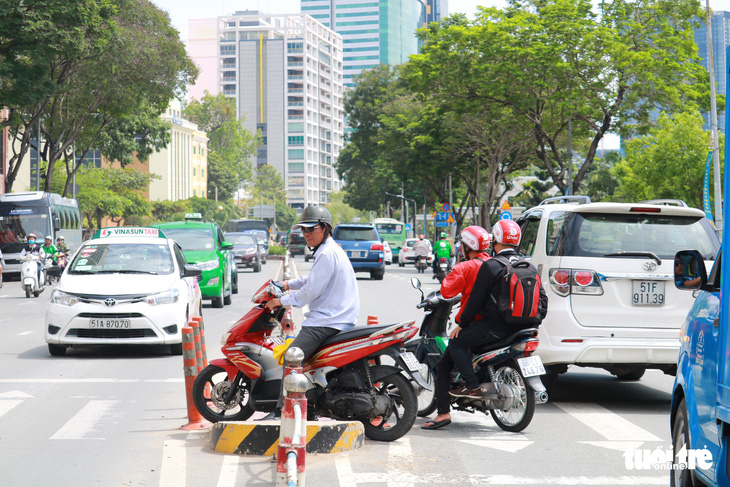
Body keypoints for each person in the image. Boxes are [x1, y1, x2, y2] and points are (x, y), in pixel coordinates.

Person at [423, 220, 548, 430]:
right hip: (524, 328)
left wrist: (461, 324)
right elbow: (542, 300)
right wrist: (535, 321)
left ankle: (470, 389)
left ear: (496, 240)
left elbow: (476, 300)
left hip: (496, 328)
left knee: (456, 343)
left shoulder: (492, 265)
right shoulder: (528, 265)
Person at [264, 206, 360, 417]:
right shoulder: (330, 251)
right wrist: (288, 284)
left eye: (312, 229)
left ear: (326, 229)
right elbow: (312, 281)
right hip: (337, 319)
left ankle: (282, 410)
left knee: (292, 358)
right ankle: (312, 405)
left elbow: (310, 292)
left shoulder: (326, 254)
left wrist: (280, 301)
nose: (307, 234)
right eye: (304, 230)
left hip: (325, 322)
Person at [421, 225, 491, 430]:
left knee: (443, 367)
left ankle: (444, 412)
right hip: (495, 324)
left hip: (472, 324)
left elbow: (447, 290)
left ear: (467, 247)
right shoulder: (494, 263)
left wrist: (458, 270)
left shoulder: (466, 267)